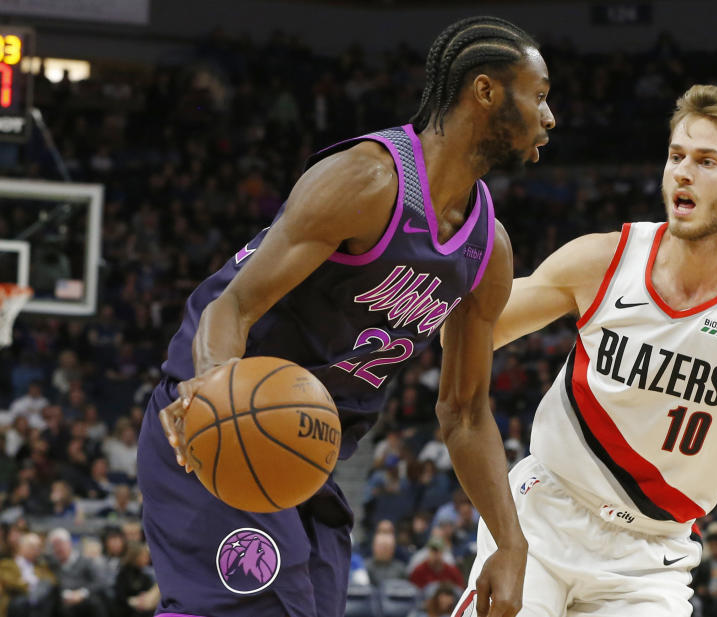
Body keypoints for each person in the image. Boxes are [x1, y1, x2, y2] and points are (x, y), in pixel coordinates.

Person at [139, 15, 554, 617]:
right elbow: (232, 305)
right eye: (539, 96)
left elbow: (464, 413)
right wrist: (213, 392)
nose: (550, 117)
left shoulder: (488, 251)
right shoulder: (367, 182)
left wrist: (512, 543)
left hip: (307, 457)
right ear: (486, 91)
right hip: (221, 423)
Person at [455, 84, 717, 616]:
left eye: (706, 161)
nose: (683, 173)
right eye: (676, 157)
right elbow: (468, 332)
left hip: (649, 559)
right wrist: (434, 273)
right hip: (544, 514)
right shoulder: (604, 259)